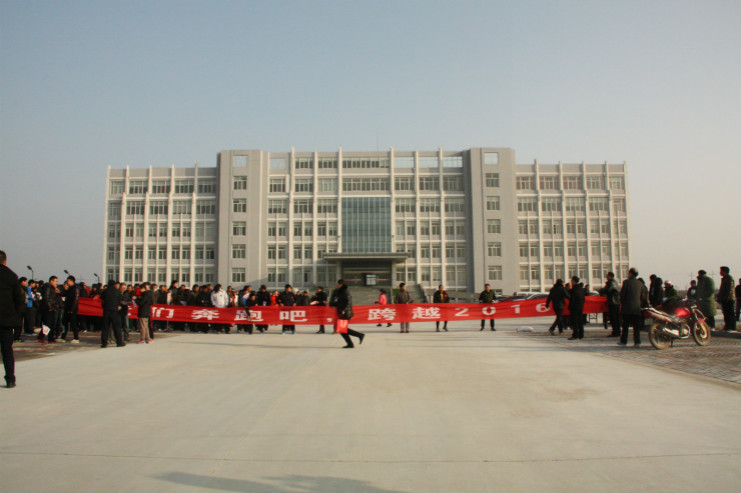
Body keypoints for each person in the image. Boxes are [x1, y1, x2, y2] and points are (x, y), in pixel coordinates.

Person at [0, 250, 23, 388]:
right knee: (7, 350)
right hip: (6, 320)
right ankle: (10, 379)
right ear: (5, 261)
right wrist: (17, 316)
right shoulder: (11, 276)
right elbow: (19, 299)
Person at [329, 279, 364, 348]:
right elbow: (340, 302)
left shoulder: (345, 291)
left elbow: (348, 302)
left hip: (345, 313)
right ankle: (351, 342)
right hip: (343, 312)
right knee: (342, 329)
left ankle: (358, 336)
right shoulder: (341, 291)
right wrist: (332, 304)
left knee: (342, 329)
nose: (337, 285)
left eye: (339, 284)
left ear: (342, 284)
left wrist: (343, 310)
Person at [619, 267, 648, 347]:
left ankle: (624, 341)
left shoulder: (626, 282)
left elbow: (622, 295)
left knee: (625, 326)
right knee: (636, 327)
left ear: (631, 274)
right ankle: (637, 342)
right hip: (636, 308)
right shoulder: (640, 284)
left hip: (627, 308)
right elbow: (643, 297)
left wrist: (622, 303)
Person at [99, 279, 125, 348]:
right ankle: (119, 342)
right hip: (114, 311)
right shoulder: (117, 291)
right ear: (114, 285)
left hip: (106, 311)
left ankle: (104, 343)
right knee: (116, 327)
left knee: (105, 328)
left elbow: (102, 301)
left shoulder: (105, 291)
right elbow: (120, 300)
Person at [38, 276, 62, 343]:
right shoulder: (47, 287)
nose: (56, 283)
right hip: (48, 308)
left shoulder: (52, 288)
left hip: (52, 307)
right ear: (51, 281)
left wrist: (58, 293)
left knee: (51, 324)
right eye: (55, 281)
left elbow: (53, 298)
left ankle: (51, 338)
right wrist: (49, 307)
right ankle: (41, 337)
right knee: (48, 324)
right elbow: (46, 298)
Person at [598, 272, 621, 337]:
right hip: (616, 302)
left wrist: (601, 290)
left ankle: (615, 332)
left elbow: (607, 290)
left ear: (610, 276)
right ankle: (617, 331)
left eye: (607, 276)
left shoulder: (610, 283)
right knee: (616, 318)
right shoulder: (615, 282)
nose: (606, 277)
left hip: (612, 302)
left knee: (613, 318)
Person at [61, 276, 80, 343]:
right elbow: (65, 294)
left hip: (72, 309)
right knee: (64, 323)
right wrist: (59, 292)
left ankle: (76, 338)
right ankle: (63, 337)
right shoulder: (70, 289)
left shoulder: (75, 289)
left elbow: (75, 300)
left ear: (72, 281)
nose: (67, 282)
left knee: (73, 324)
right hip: (67, 308)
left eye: (68, 281)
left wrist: (72, 309)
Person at [718, 266, 736, 331]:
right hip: (725, 299)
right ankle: (727, 326)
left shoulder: (729, 278)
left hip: (729, 299)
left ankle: (731, 327)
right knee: (726, 314)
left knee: (730, 314)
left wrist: (726, 298)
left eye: (721, 271)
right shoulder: (725, 278)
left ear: (724, 271)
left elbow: (729, 290)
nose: (720, 272)